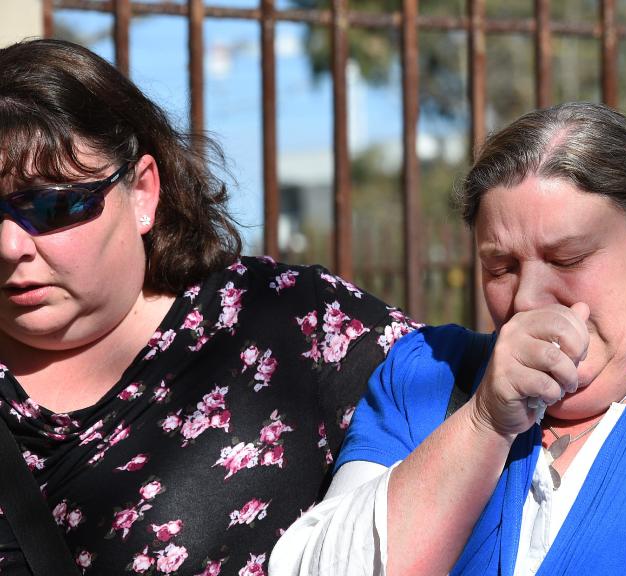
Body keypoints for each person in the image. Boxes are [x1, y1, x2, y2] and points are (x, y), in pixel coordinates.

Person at [0, 38, 418, 575]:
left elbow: (483, 408)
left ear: (143, 193)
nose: (10, 246)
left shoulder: (286, 322)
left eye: (52, 204)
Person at [269, 101, 626, 575]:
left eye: (567, 259)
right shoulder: (428, 376)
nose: (527, 300)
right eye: (501, 268)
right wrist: (485, 421)